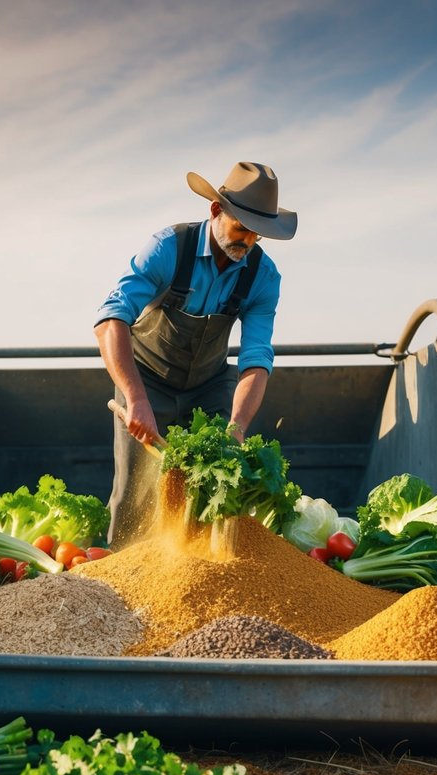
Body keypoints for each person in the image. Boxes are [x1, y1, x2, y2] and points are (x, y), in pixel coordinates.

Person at [94, 161, 298, 545]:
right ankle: (120, 587)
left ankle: (200, 585)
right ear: (216, 210)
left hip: (209, 384)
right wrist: (136, 399)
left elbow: (256, 359)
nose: (248, 242)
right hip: (146, 379)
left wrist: (237, 427)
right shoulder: (169, 248)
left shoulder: (263, 277)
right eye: (241, 228)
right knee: (136, 494)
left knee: (213, 495)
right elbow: (110, 319)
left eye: (258, 235)